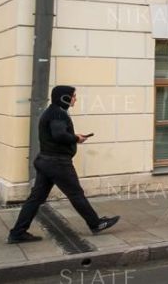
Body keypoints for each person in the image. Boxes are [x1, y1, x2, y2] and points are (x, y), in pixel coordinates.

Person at [7, 85, 119, 244]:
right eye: (73, 96)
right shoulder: (58, 113)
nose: (75, 99)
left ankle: (18, 233)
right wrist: (76, 138)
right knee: (76, 194)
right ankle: (96, 224)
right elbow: (59, 135)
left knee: (35, 198)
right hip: (57, 163)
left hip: (46, 161)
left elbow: (57, 134)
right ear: (64, 97)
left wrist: (74, 136)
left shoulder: (53, 111)